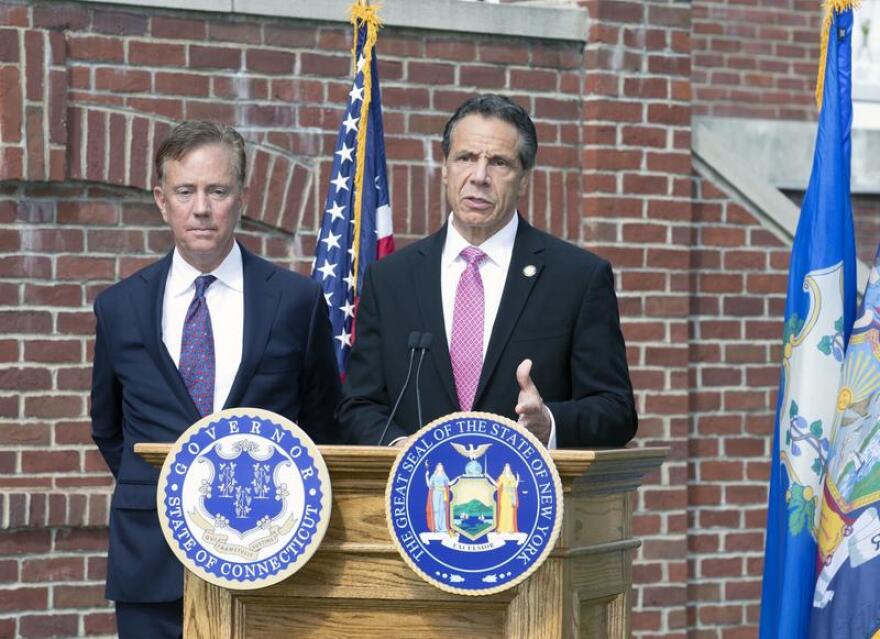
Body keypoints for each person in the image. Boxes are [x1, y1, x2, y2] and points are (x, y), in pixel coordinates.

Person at [90, 121, 342, 639]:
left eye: (217, 190)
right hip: (151, 559)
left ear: (242, 197)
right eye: (186, 191)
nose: (201, 208)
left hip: (267, 555)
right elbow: (109, 427)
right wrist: (174, 489)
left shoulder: (295, 302)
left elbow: (322, 423)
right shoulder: (120, 307)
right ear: (162, 201)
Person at [338, 94, 637, 448]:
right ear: (446, 167)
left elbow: (616, 411)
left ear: (524, 179)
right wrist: (399, 447)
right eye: (465, 158)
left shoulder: (576, 278)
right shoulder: (390, 279)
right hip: (421, 495)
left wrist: (549, 423)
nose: (479, 176)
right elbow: (358, 405)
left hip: (524, 495)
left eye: (499, 163)